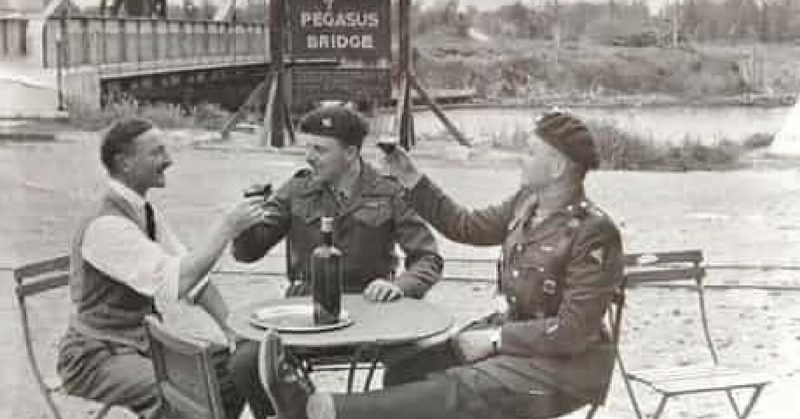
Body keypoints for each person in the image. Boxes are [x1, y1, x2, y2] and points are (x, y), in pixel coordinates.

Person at [260, 111, 625, 419]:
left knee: (458, 388)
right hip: (517, 341)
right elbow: (464, 225)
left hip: (565, 367)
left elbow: (574, 331)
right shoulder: (526, 203)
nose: (521, 158)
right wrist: (411, 179)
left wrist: (495, 339)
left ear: (558, 167)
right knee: (407, 368)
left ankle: (318, 409)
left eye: (530, 153)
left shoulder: (594, 232)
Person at [228, 104, 444, 419]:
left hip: (373, 312)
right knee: (246, 363)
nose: (309, 157)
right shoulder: (298, 188)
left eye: (320, 149)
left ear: (350, 152)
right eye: (307, 148)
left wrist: (399, 286)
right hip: (306, 312)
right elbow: (248, 253)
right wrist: (245, 221)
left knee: (423, 363)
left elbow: (428, 257)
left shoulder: (388, 191)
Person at [57, 117, 265, 419]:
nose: (168, 160)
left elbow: (194, 279)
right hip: (96, 357)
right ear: (125, 162)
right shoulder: (106, 225)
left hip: (141, 347)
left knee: (234, 369)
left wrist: (231, 330)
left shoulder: (144, 211)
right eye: (156, 153)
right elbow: (176, 282)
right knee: (182, 391)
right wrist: (228, 227)